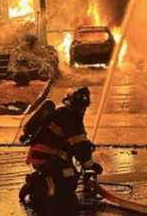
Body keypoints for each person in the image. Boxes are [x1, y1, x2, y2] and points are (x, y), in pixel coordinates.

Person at [19, 87, 103, 215]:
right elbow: (81, 148)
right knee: (69, 182)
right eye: (83, 108)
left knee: (70, 174)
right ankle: (39, 185)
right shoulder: (73, 119)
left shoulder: (61, 112)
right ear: (82, 108)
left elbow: (70, 142)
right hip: (49, 159)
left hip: (39, 155)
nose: (83, 111)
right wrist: (91, 166)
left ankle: (44, 181)